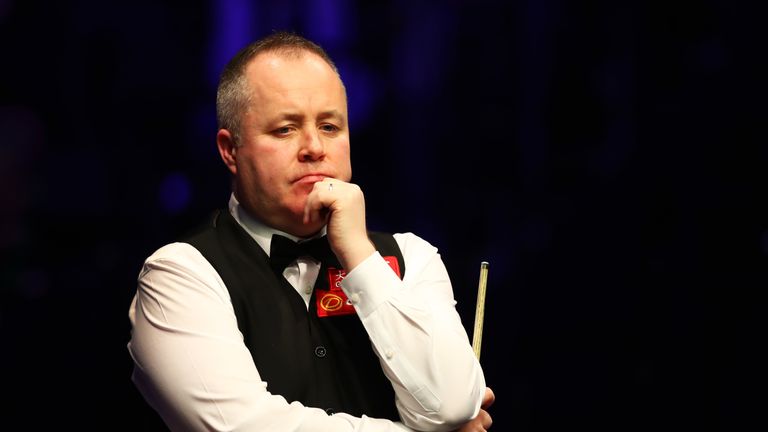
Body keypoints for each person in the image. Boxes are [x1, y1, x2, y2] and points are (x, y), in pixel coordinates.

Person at [127, 31, 494, 431]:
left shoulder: (412, 258)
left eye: (330, 127)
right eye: (285, 129)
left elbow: (454, 405)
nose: (314, 147)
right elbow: (245, 427)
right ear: (230, 150)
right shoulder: (179, 274)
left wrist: (357, 251)